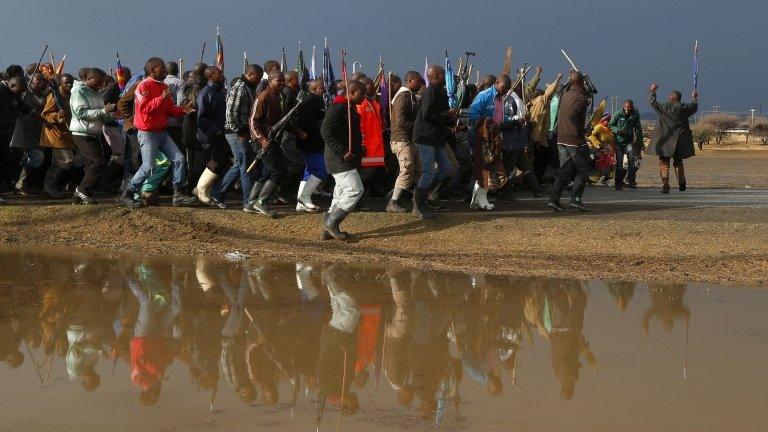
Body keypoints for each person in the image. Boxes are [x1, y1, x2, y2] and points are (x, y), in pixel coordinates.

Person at [120, 58, 196, 207]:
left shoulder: (163, 86)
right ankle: (127, 192)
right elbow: (145, 109)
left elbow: (169, 109)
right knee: (149, 166)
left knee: (179, 159)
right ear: (152, 70)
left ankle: (178, 193)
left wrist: (183, 110)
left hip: (161, 132)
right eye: (162, 68)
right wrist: (161, 98)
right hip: (147, 133)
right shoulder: (143, 86)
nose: (165, 71)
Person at [245, 70, 305, 216]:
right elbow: (253, 122)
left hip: (275, 140)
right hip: (263, 141)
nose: (282, 83)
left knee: (266, 172)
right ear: (270, 81)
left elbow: (283, 121)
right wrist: (262, 139)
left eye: (283, 81)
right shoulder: (263, 97)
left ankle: (251, 203)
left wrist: (298, 132)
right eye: (278, 81)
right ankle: (262, 202)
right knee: (279, 170)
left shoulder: (281, 96)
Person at [319, 79, 365, 240]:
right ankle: (332, 222)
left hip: (342, 158)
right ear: (352, 92)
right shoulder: (339, 107)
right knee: (355, 190)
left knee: (340, 192)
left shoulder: (348, 107)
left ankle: (327, 226)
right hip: (338, 159)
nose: (364, 97)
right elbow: (325, 131)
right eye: (362, 93)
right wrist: (342, 151)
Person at [214, 63, 263, 210]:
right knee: (246, 166)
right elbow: (231, 114)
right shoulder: (239, 88)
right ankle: (248, 201)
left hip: (241, 132)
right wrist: (240, 132)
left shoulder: (248, 88)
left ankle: (217, 193)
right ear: (250, 75)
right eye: (258, 77)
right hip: (235, 133)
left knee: (239, 164)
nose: (259, 81)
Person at [412, 65, 457, 219]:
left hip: (436, 138)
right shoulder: (430, 92)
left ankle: (425, 195)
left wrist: (451, 119)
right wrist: (446, 114)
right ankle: (418, 205)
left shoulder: (440, 92)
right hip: (426, 138)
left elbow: (440, 116)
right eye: (443, 75)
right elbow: (427, 115)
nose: (446, 77)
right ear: (435, 76)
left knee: (446, 167)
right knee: (428, 172)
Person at [69, 68, 120, 204]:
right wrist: (103, 110)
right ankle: (81, 190)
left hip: (94, 133)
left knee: (92, 163)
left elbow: (100, 115)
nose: (101, 85)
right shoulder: (78, 91)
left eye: (102, 82)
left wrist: (113, 115)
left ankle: (83, 195)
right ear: (89, 78)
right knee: (99, 161)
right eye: (98, 82)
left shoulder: (96, 93)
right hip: (82, 133)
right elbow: (81, 113)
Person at [548, 71, 592, 212]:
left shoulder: (564, 94)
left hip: (561, 137)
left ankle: (554, 200)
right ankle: (576, 200)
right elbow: (576, 115)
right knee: (583, 170)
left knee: (564, 171)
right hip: (574, 139)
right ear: (581, 83)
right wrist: (582, 129)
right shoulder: (581, 98)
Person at [648, 84, 698, 193]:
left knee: (664, 163)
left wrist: (652, 91)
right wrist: (694, 97)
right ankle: (681, 181)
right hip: (680, 141)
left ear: (673, 98)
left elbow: (653, 103)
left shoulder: (665, 107)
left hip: (665, 142)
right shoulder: (685, 108)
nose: (669, 97)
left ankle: (665, 184)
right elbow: (694, 107)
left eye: (670, 96)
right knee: (678, 162)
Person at [192, 66, 230, 208]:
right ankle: (200, 190)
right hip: (208, 135)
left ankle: (204, 190)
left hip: (220, 133)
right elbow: (201, 118)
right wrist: (215, 130)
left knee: (223, 161)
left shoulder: (219, 92)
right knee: (216, 160)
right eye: (219, 73)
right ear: (211, 76)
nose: (222, 75)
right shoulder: (205, 93)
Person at [387, 71, 422, 213]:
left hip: (409, 140)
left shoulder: (409, 95)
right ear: (410, 80)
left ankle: (418, 201)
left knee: (419, 171)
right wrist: (417, 126)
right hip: (402, 140)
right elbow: (400, 121)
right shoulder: (403, 96)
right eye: (418, 81)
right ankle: (393, 202)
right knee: (406, 171)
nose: (420, 84)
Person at [10, 72, 48, 195]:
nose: (41, 81)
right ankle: (20, 184)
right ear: (30, 81)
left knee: (37, 159)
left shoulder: (43, 95)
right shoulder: (25, 94)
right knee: (36, 157)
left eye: (43, 79)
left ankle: (25, 184)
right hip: (23, 130)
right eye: (38, 79)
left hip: (37, 131)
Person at [295, 78, 329, 212]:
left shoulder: (316, 100)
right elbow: (305, 122)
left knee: (309, 171)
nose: (324, 89)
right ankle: (304, 198)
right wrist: (325, 123)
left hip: (313, 141)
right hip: (311, 142)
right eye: (322, 87)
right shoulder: (311, 101)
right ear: (315, 89)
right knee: (321, 169)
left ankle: (300, 204)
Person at [40, 73, 75, 198]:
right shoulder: (54, 96)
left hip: (67, 133)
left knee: (59, 162)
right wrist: (57, 116)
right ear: (61, 83)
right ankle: (51, 187)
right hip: (55, 134)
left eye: (71, 82)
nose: (69, 85)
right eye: (66, 82)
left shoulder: (72, 95)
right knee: (67, 160)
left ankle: (48, 189)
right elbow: (45, 115)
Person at [0, 76, 30, 202]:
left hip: (7, 134)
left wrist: (44, 120)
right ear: (12, 86)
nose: (21, 94)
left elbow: (25, 108)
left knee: (5, 161)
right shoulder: (1, 91)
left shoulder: (14, 94)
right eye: (20, 91)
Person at [609, 100, 644, 190]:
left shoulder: (635, 114)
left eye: (629, 107)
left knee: (632, 161)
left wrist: (641, 142)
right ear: (623, 107)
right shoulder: (618, 114)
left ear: (632, 107)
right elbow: (611, 125)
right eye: (626, 107)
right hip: (619, 142)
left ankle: (631, 181)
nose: (627, 109)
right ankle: (618, 183)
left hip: (629, 142)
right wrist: (618, 130)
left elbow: (638, 129)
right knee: (620, 163)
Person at [587, 113, 616, 185]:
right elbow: (590, 135)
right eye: (607, 120)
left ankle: (607, 179)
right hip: (599, 150)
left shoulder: (610, 128)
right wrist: (597, 144)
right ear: (603, 120)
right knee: (598, 165)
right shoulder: (598, 127)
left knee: (611, 165)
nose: (608, 122)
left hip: (608, 150)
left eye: (609, 120)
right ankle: (591, 180)